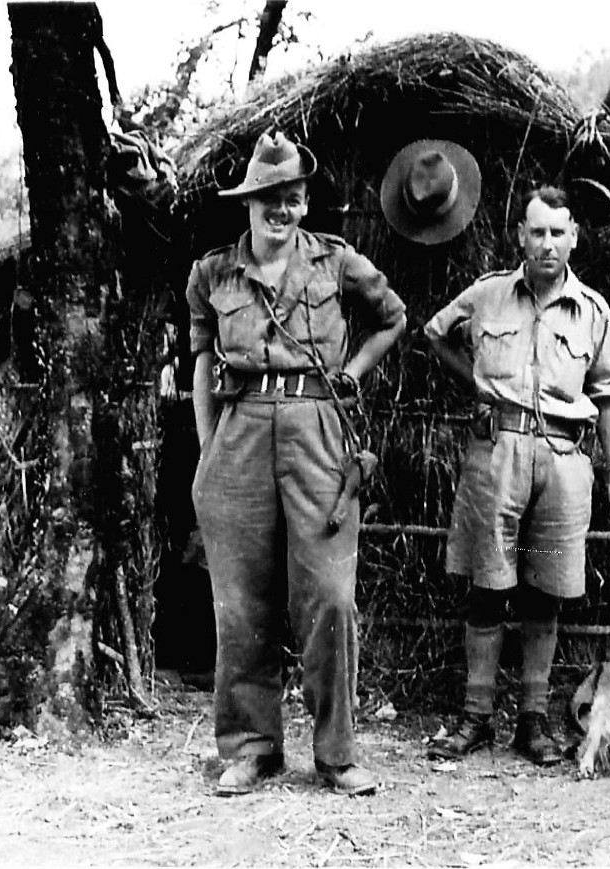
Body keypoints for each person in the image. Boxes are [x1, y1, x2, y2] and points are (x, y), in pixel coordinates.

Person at [187, 131, 407, 797]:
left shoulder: (337, 263)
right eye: (268, 200)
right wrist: (208, 455)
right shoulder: (213, 274)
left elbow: (393, 318)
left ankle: (337, 753)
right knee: (239, 604)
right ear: (248, 203)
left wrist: (354, 373)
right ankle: (252, 747)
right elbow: (201, 361)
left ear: (305, 203)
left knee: (329, 598)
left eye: (292, 199)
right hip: (240, 433)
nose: (280, 211)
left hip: (317, 430)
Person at [424, 186, 610, 766]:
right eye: (536, 232)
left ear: (573, 238)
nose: (547, 244)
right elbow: (434, 333)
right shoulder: (489, 295)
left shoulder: (592, 311)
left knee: (547, 593)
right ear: (521, 235)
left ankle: (534, 721)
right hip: (498, 452)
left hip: (565, 458)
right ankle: (476, 716)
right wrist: (477, 382)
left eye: (557, 233)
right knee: (488, 587)